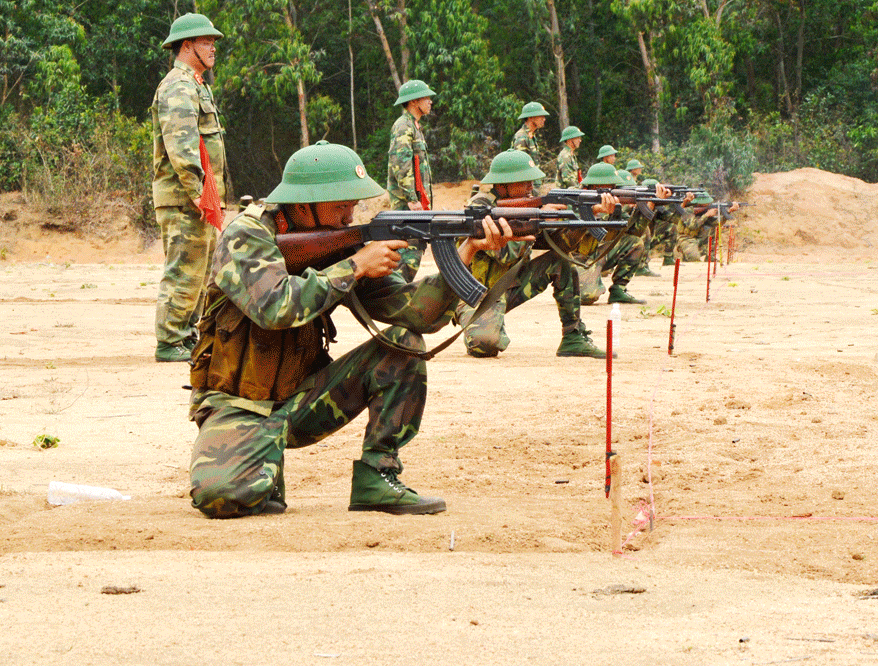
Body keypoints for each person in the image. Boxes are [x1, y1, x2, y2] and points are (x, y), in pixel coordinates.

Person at [187, 141, 513, 518]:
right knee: (221, 497)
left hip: (301, 401)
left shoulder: (338, 244)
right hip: (237, 403)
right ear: (304, 202)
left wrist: (467, 252)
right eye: (340, 205)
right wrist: (355, 266)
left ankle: (377, 476)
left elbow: (417, 315)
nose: (350, 214)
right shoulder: (247, 236)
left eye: (353, 205)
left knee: (404, 344)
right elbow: (275, 308)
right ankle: (257, 459)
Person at [459, 150, 614, 359]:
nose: (531, 187)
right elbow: (503, 253)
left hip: (509, 287)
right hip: (475, 294)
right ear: (504, 184)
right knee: (484, 346)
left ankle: (573, 336)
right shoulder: (481, 206)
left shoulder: (527, 206)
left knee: (559, 262)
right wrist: (535, 221)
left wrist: (588, 216)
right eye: (524, 182)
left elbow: (560, 246)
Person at [150, 12, 229, 362]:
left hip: (198, 197)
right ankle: (170, 342)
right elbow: (181, 144)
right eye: (206, 41)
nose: (213, 47)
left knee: (199, 270)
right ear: (187, 45)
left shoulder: (196, 84)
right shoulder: (178, 86)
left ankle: (186, 336)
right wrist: (198, 193)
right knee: (184, 268)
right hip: (185, 198)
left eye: (213, 42)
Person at [385, 79, 436, 280]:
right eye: (427, 97)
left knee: (413, 250)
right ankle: (393, 295)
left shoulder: (413, 126)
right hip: (408, 206)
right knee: (409, 253)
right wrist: (412, 199)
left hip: (415, 203)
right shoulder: (403, 126)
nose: (430, 101)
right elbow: (401, 163)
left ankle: (395, 292)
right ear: (415, 101)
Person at [585, 162, 649, 305]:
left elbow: (635, 232)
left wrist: (646, 206)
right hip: (575, 259)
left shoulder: (614, 205)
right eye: (612, 187)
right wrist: (595, 209)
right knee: (587, 296)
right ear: (597, 186)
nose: (615, 190)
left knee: (634, 242)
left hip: (598, 254)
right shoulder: (575, 197)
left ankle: (618, 290)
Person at [510, 102, 550, 177]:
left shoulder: (530, 136)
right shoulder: (521, 137)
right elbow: (520, 168)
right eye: (540, 116)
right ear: (530, 117)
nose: (544, 119)